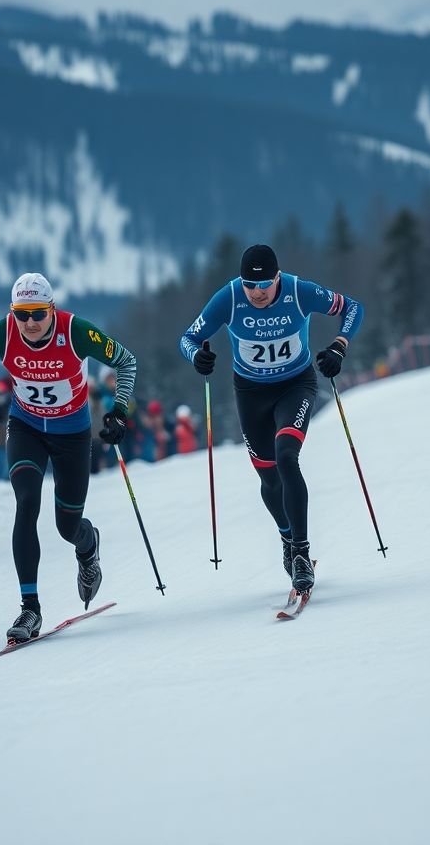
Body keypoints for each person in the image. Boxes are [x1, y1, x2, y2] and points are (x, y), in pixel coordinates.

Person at [0, 272, 138, 643]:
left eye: (37, 313)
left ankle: (88, 547)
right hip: (26, 428)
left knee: (67, 527)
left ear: (51, 309)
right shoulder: (3, 332)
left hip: (72, 434)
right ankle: (29, 608)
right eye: (22, 314)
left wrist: (119, 410)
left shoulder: (76, 330)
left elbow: (126, 361)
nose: (30, 323)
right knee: (26, 502)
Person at [179, 244, 363, 597]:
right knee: (268, 476)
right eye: (251, 285)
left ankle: (301, 553)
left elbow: (353, 308)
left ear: (278, 277)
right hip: (251, 393)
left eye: (265, 285)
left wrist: (339, 345)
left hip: (296, 384)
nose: (258, 292)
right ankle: (286, 536)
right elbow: (188, 338)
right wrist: (196, 357)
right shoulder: (230, 298)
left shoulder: (298, 291)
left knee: (286, 455)